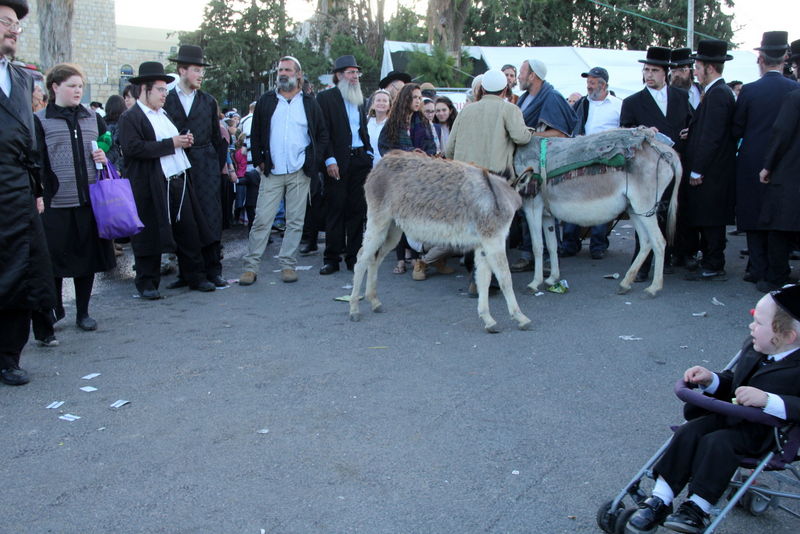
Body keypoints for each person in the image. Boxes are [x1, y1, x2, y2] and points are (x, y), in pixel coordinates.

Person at [626, 284, 800, 534]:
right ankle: (660, 499)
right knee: (689, 431)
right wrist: (711, 380)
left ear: (786, 336)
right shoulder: (753, 347)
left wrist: (768, 400)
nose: (752, 326)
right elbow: (733, 381)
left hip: (767, 433)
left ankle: (697, 507)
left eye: (759, 323)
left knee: (718, 443)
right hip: (731, 415)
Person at [117, 61, 217, 299]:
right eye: (160, 89)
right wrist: (172, 144)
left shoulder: (163, 114)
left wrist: (183, 141)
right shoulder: (131, 117)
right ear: (145, 90)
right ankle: (147, 283)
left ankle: (195, 276)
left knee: (188, 230)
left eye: (165, 89)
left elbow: (169, 142)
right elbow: (133, 148)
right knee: (149, 234)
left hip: (177, 179)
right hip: (150, 184)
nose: (165, 94)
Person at [33, 63, 115, 340]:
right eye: (72, 86)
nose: (78, 90)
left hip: (90, 200)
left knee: (86, 260)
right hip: (56, 203)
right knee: (54, 262)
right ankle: (55, 310)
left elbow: (107, 145)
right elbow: (37, 161)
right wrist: (41, 193)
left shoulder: (92, 117)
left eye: (80, 86)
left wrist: (104, 156)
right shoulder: (41, 119)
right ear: (55, 87)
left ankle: (83, 312)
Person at [0, 0, 57, 386]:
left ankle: (8, 357)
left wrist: (36, 188)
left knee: (22, 273)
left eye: (16, 24)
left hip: (18, 192)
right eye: (5, 22)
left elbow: (31, 140)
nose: (13, 29)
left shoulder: (21, 78)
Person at [239, 56, 328, 285]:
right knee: (262, 220)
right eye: (280, 70)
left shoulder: (309, 103)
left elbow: (321, 135)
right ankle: (251, 267)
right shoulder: (267, 101)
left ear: (299, 74)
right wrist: (259, 159)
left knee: (295, 221)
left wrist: (312, 161)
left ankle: (288, 265)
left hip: (299, 171)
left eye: (287, 70)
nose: (282, 73)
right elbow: (257, 133)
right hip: (272, 171)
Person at [445, 70, 532, 291]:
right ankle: (485, 277)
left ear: (482, 89)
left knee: (472, 226)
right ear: (505, 90)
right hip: (495, 179)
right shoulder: (509, 109)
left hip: (466, 177)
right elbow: (521, 137)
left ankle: (472, 269)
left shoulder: (466, 111)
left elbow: (449, 149)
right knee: (494, 230)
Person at [732, 31, 799, 292]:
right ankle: (774, 269)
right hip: (786, 164)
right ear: (784, 58)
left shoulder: (749, 90)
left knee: (752, 214)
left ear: (760, 58)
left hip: (751, 160)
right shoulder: (795, 89)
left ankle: (757, 268)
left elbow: (737, 128)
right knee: (778, 218)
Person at [620, 46, 691, 282]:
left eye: (654, 70)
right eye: (646, 69)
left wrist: (689, 131)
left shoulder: (682, 97)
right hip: (647, 169)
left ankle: (673, 256)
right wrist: (641, 133)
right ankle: (641, 267)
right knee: (647, 215)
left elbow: (691, 121)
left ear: (665, 73)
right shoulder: (632, 102)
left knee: (675, 211)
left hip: (676, 164)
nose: (649, 74)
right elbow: (624, 132)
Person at [164, 45, 229, 288]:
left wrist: (215, 165)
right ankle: (188, 273)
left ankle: (213, 270)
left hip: (205, 165)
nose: (201, 75)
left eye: (202, 70)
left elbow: (216, 136)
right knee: (183, 218)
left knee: (210, 217)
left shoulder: (208, 101)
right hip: (178, 165)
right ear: (182, 70)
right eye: (196, 70)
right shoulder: (167, 100)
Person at [511, 58, 577, 273]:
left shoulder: (552, 98)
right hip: (525, 165)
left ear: (533, 76)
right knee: (527, 209)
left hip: (546, 165)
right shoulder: (523, 100)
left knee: (547, 210)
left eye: (522, 72)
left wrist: (528, 136)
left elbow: (560, 133)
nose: (519, 76)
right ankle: (528, 254)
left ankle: (550, 256)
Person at [680, 40, 737, 282]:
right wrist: (690, 133)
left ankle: (715, 262)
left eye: (698, 66)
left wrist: (697, 170)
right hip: (712, 169)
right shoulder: (715, 93)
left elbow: (713, 137)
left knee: (712, 217)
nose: (695, 71)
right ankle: (711, 259)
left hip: (712, 171)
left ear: (709, 68)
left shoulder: (718, 94)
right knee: (706, 214)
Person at [316, 54, 372, 275]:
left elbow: (361, 129)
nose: (355, 76)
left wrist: (368, 151)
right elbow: (323, 132)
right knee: (336, 209)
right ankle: (331, 258)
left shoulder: (359, 99)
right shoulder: (326, 98)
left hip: (359, 160)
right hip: (336, 161)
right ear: (339, 75)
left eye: (356, 73)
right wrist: (329, 159)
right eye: (350, 72)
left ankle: (354, 257)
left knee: (357, 210)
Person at [561, 66, 622, 260]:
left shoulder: (617, 105)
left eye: (592, 82)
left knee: (600, 202)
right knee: (574, 199)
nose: (588, 86)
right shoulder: (581, 104)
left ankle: (598, 244)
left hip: (606, 160)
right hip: (580, 158)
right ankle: (570, 242)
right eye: (588, 82)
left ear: (603, 85)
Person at [378, 83, 437, 279]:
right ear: (405, 99)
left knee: (418, 216)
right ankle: (401, 259)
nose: (418, 101)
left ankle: (416, 257)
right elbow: (384, 147)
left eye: (420, 97)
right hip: (400, 177)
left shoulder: (422, 122)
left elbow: (431, 146)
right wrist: (409, 154)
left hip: (420, 176)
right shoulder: (393, 122)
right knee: (400, 218)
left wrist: (424, 155)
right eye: (414, 97)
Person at [758, 88, 800, 292]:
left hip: (791, 172)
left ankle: (777, 277)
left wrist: (768, 166)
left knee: (779, 227)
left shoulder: (795, 97)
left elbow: (781, 133)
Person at [366, 88, 390, 167]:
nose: (381, 103)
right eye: (378, 100)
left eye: (385, 101)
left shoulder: (392, 124)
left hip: (383, 168)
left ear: (389, 105)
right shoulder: (366, 121)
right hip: (365, 166)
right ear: (372, 104)